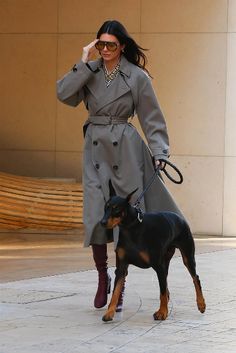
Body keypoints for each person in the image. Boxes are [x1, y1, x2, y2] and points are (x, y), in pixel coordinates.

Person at [57, 20, 182, 312]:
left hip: (126, 150)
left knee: (126, 218)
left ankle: (119, 282)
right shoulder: (90, 72)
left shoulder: (137, 77)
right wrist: (83, 61)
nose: (105, 50)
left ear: (122, 46)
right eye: (100, 44)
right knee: (95, 215)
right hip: (94, 150)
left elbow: (152, 117)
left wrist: (159, 151)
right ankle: (102, 276)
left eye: (111, 45)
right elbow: (64, 95)